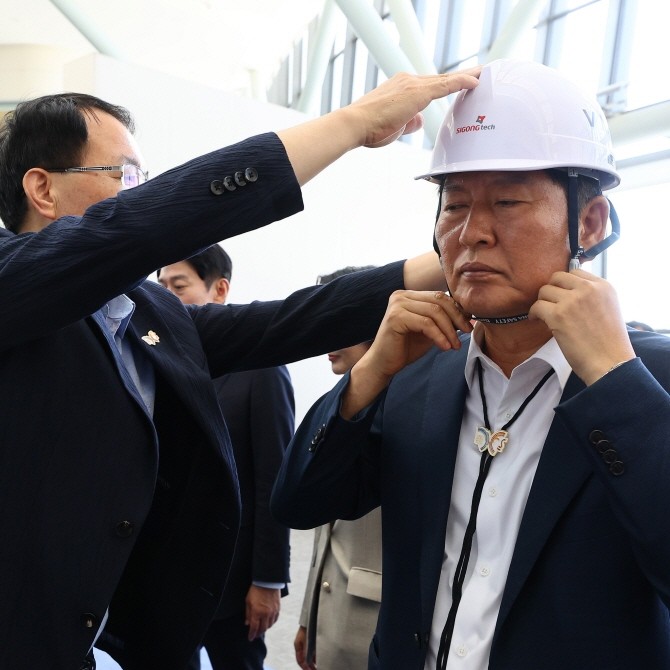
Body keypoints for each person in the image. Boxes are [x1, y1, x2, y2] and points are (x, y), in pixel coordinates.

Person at [0, 68, 481, 670]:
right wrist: (352, 123)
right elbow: (137, 227)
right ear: (43, 190)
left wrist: (455, 255)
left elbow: (288, 321)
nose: (144, 196)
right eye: (128, 178)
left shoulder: (144, 311)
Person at [271, 59, 670, 670]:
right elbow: (300, 503)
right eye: (454, 205)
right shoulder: (420, 373)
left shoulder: (648, 381)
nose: (473, 232)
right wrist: (370, 372)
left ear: (589, 223)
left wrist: (616, 383)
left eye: (507, 201)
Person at [158, 245, 294, 670]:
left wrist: (267, 580)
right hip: (164, 579)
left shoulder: (261, 368)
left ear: (219, 290)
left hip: (233, 583)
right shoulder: (158, 362)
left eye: (178, 286)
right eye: (160, 287)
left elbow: (274, 479)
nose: (165, 297)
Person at [294, 266, 382, 670]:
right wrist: (308, 617)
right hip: (329, 619)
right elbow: (325, 536)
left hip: (374, 625)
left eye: (339, 325)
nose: (326, 342)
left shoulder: (410, 406)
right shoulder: (336, 404)